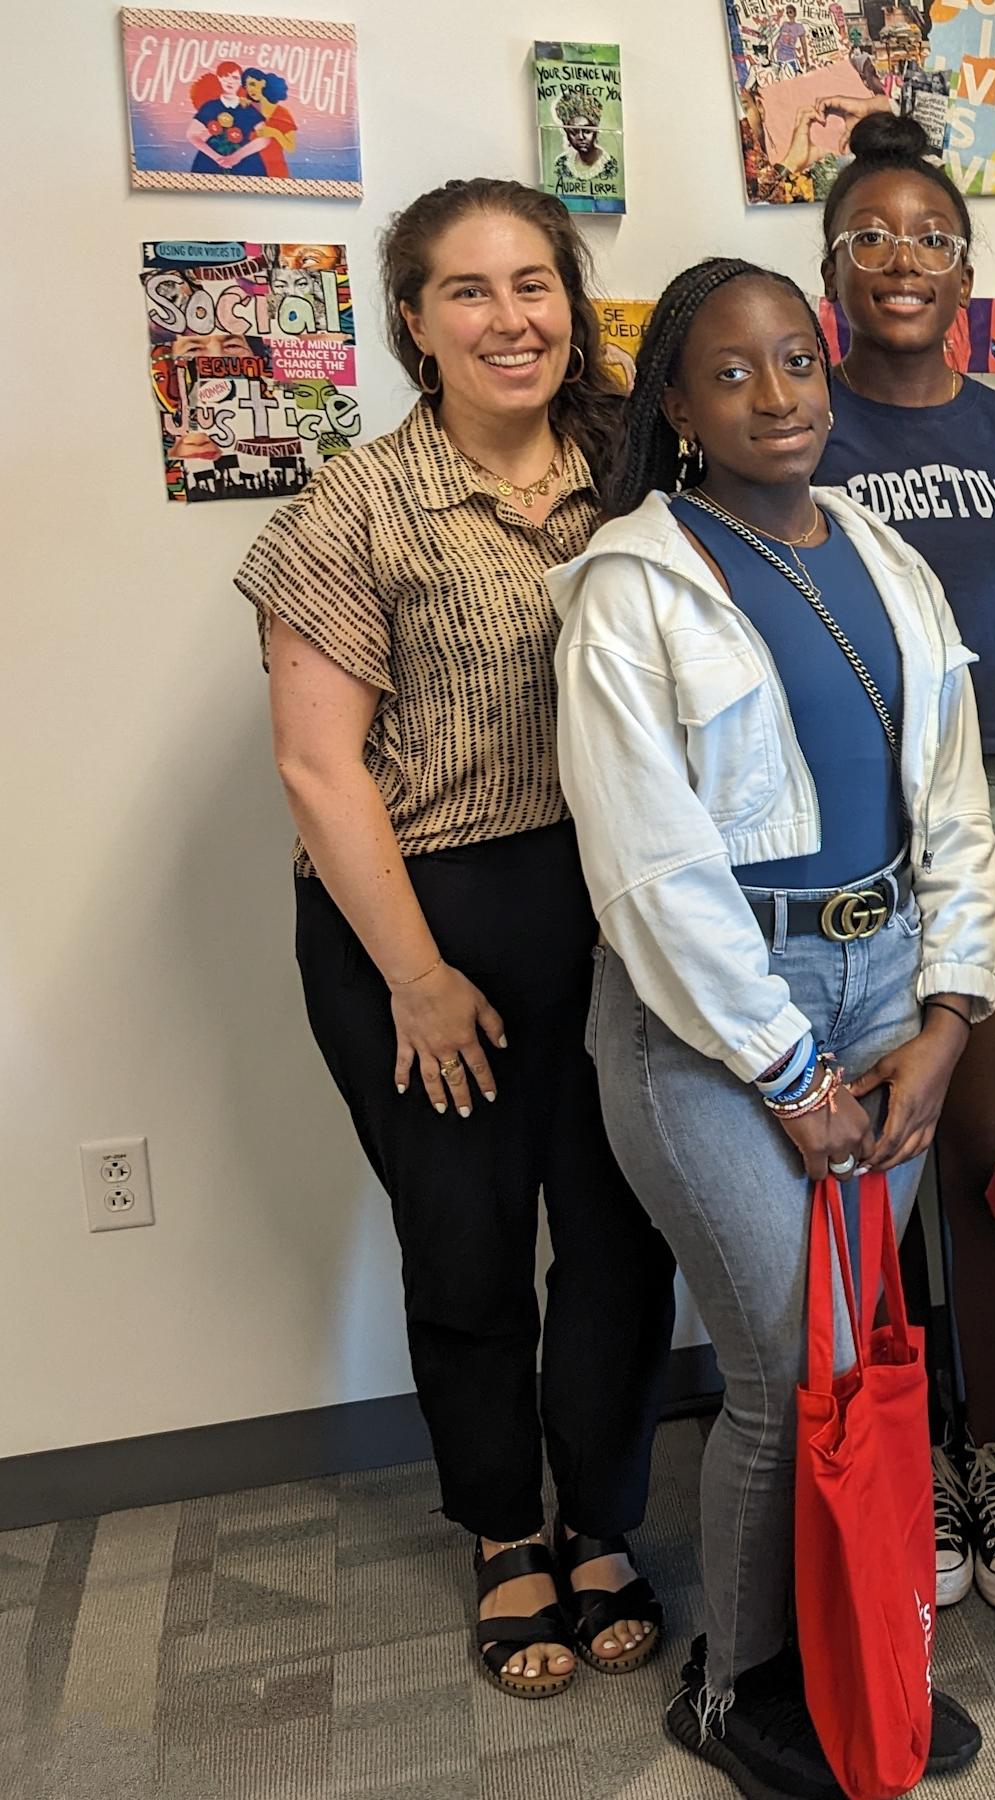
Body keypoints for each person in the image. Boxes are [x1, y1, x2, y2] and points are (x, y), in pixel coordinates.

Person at [551, 255, 994, 1798]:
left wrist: (949, 1013)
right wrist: (789, 1068)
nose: (780, 396)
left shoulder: (879, 553)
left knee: (863, 1353)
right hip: (713, 1020)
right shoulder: (632, 584)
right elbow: (651, 869)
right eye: (731, 374)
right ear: (674, 403)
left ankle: (842, 1652)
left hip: (888, 991)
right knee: (784, 1368)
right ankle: (737, 1689)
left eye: (796, 362)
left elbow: (953, 797)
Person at [234, 177, 673, 1701]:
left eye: (536, 283)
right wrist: (418, 977)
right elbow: (316, 766)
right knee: (471, 1244)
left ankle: (604, 1520)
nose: (512, 318)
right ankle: (504, 1533)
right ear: (412, 322)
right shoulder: (350, 509)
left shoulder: (635, 470)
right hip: (417, 926)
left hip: (615, 913)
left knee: (617, 1237)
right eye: (471, 291)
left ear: (574, 302)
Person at [811, 110, 995, 1619]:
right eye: (870, 238)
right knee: (859, 1158)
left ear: (966, 265)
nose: (902, 261)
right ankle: (887, 1452)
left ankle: (992, 1447)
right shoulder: (796, 421)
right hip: (850, 821)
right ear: (828, 264)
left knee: (977, 1153)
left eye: (930, 237)